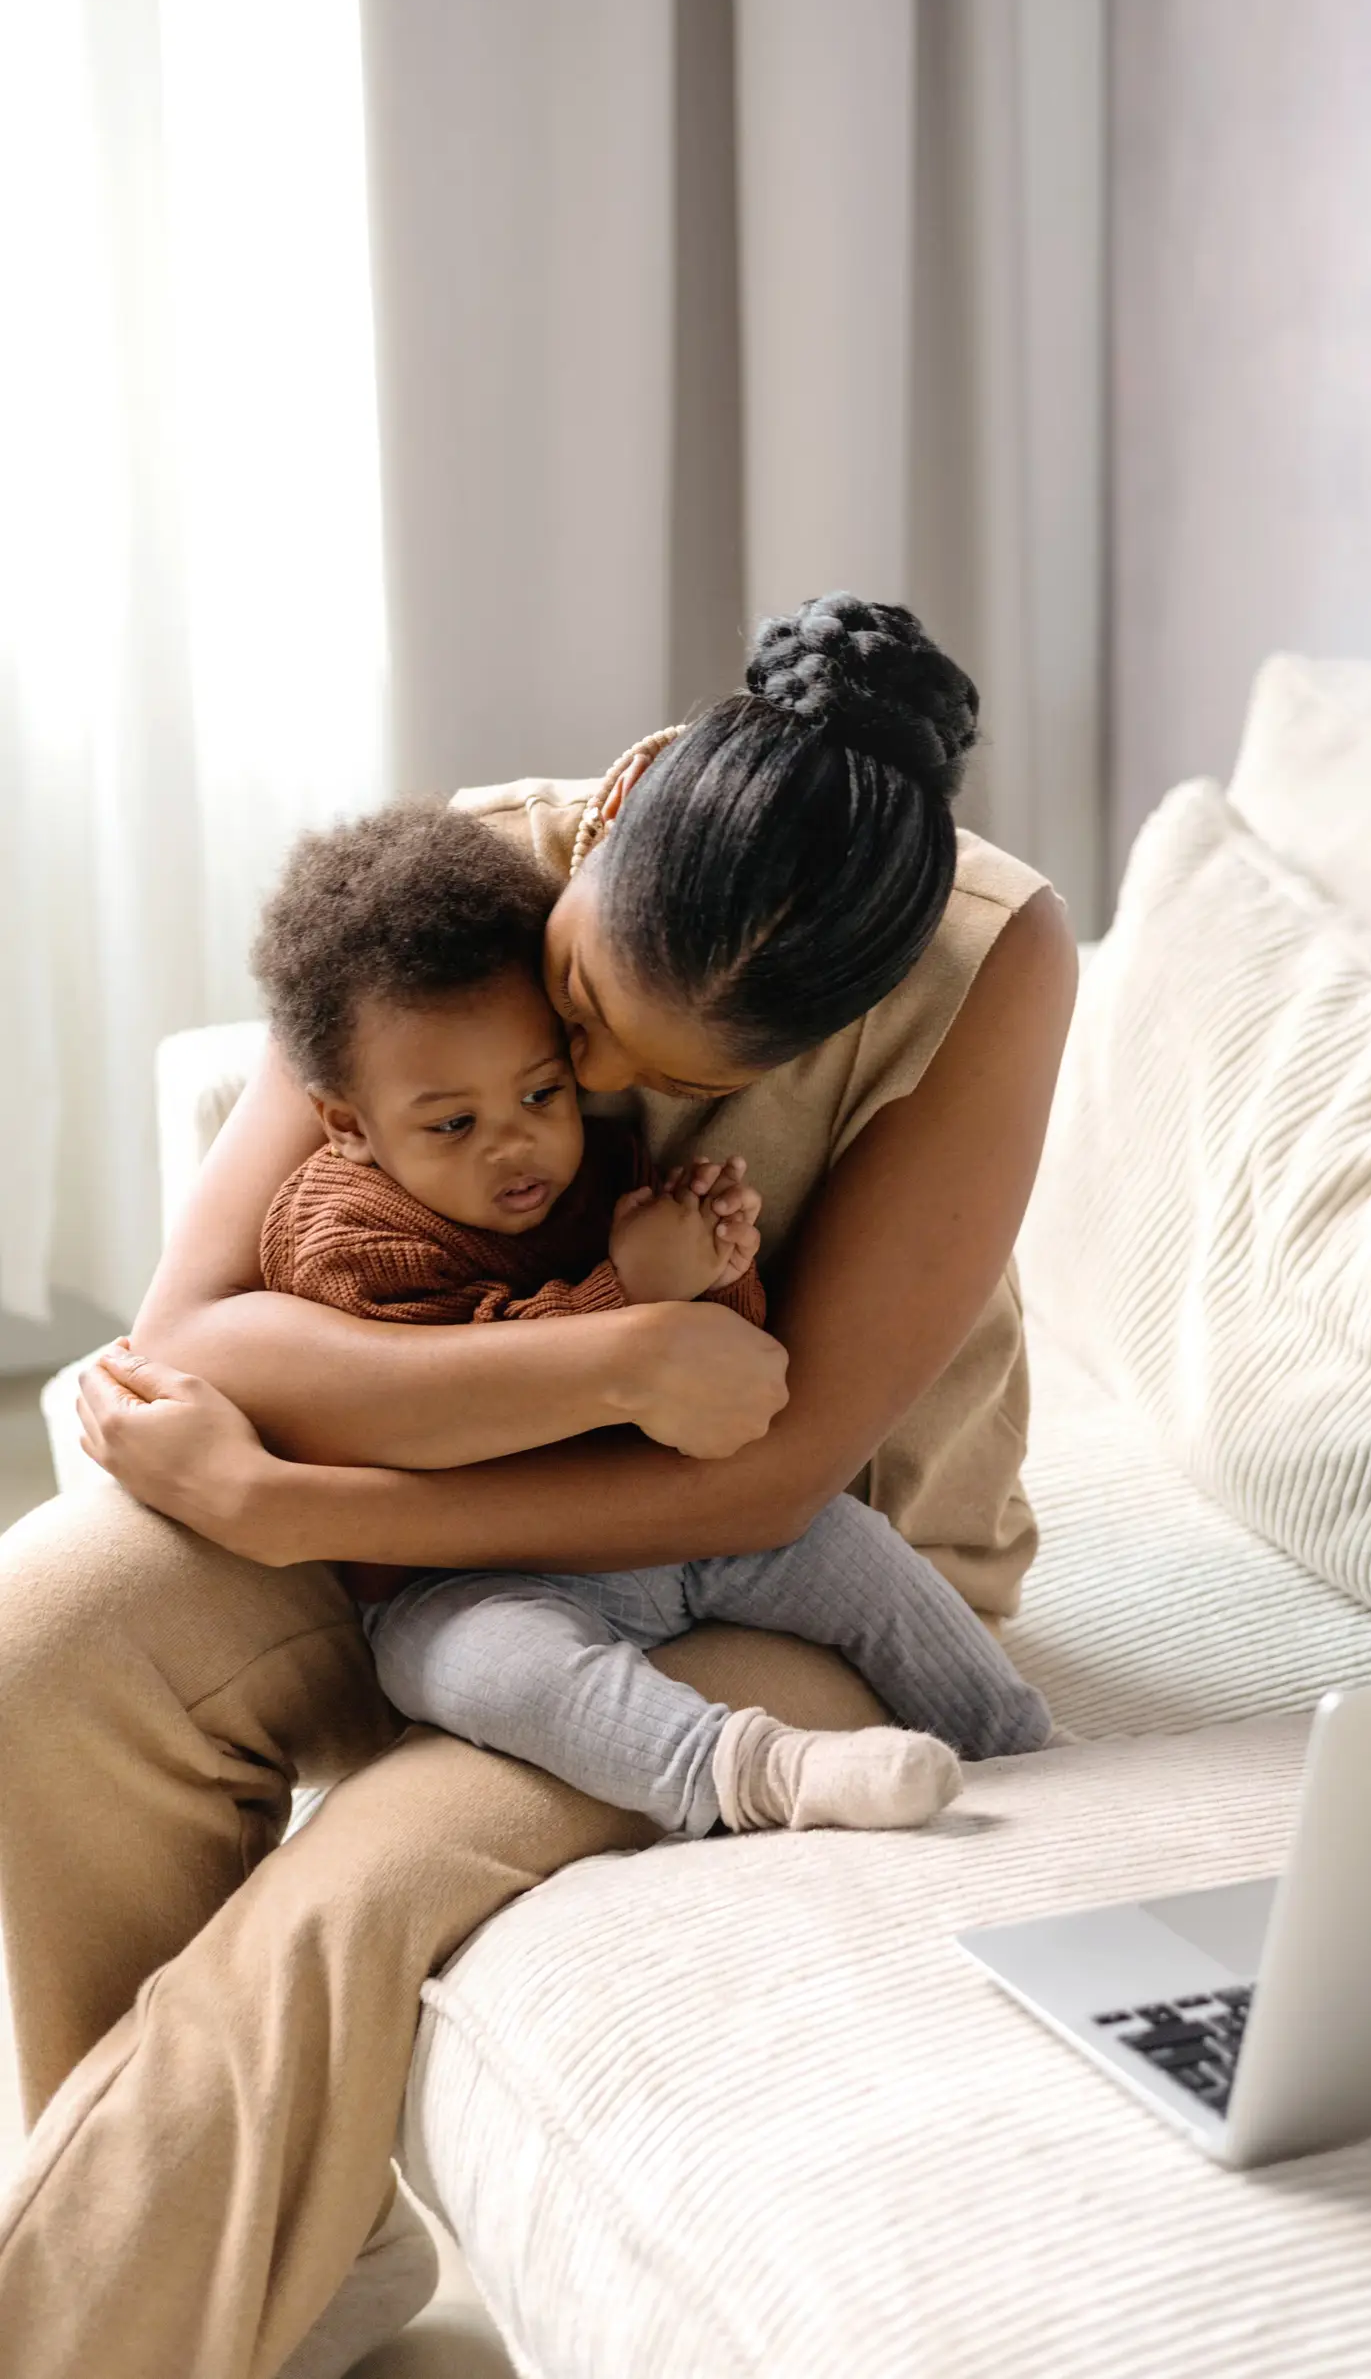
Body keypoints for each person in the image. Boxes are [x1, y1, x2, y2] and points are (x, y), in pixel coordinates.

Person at [0, 594, 1077, 2379]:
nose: (582, 1087)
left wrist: (306, 1511)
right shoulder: (454, 881)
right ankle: (283, 2270)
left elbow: (777, 1473)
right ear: (628, 804)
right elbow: (184, 1344)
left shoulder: (991, 965)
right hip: (443, 1545)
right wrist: (613, 1359)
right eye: (580, 1002)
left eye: (677, 1089)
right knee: (45, 1637)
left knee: (353, 1899)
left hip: (773, 1581)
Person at [254, 797, 1052, 1838]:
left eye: (542, 1097)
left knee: (848, 1546)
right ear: (350, 1126)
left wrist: (718, 1267)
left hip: (675, 1525)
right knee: (463, 1668)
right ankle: (750, 1770)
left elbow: (724, 1384)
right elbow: (452, 1390)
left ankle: (1022, 1743)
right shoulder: (346, 1234)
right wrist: (632, 1299)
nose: (515, 1146)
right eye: (454, 1125)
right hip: (471, 1574)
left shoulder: (602, 1176)